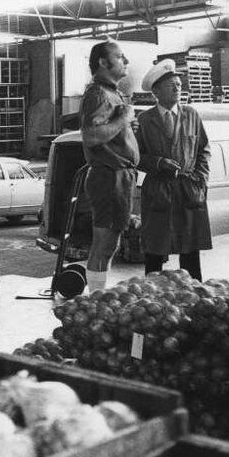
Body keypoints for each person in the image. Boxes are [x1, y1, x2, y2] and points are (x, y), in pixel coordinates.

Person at [135, 58, 212, 280]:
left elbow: (203, 149)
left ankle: (194, 295)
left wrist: (200, 179)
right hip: (159, 190)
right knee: (155, 250)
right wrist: (158, 163)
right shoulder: (145, 120)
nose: (178, 88)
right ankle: (152, 296)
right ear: (156, 91)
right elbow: (135, 156)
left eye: (179, 84)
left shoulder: (191, 114)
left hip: (188, 188)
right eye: (171, 85)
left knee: (190, 251)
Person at [79, 41, 139, 292]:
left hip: (118, 177)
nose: (125, 61)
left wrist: (124, 128)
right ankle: (97, 298)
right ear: (103, 62)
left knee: (109, 243)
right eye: (120, 57)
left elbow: (106, 130)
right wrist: (123, 120)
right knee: (104, 243)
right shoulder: (99, 93)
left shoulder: (111, 92)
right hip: (109, 177)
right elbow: (91, 136)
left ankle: (100, 294)